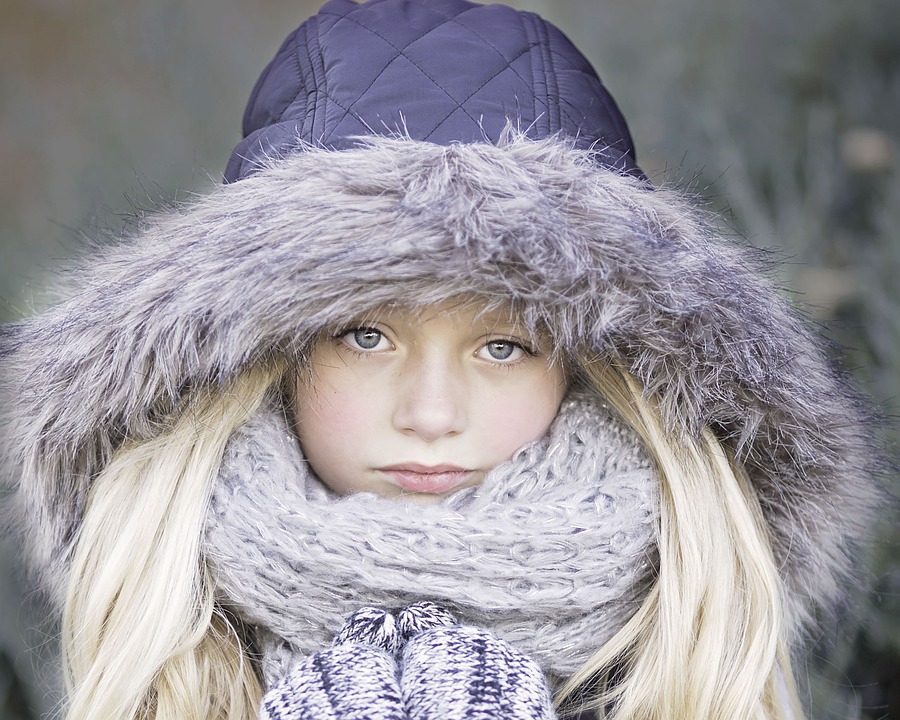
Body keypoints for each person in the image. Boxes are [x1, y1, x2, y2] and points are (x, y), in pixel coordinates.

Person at [0, 0, 881, 718]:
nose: (430, 412)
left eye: (503, 346)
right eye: (366, 335)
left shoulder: (700, 671)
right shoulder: (161, 655)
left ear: (592, 374)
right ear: (263, 359)